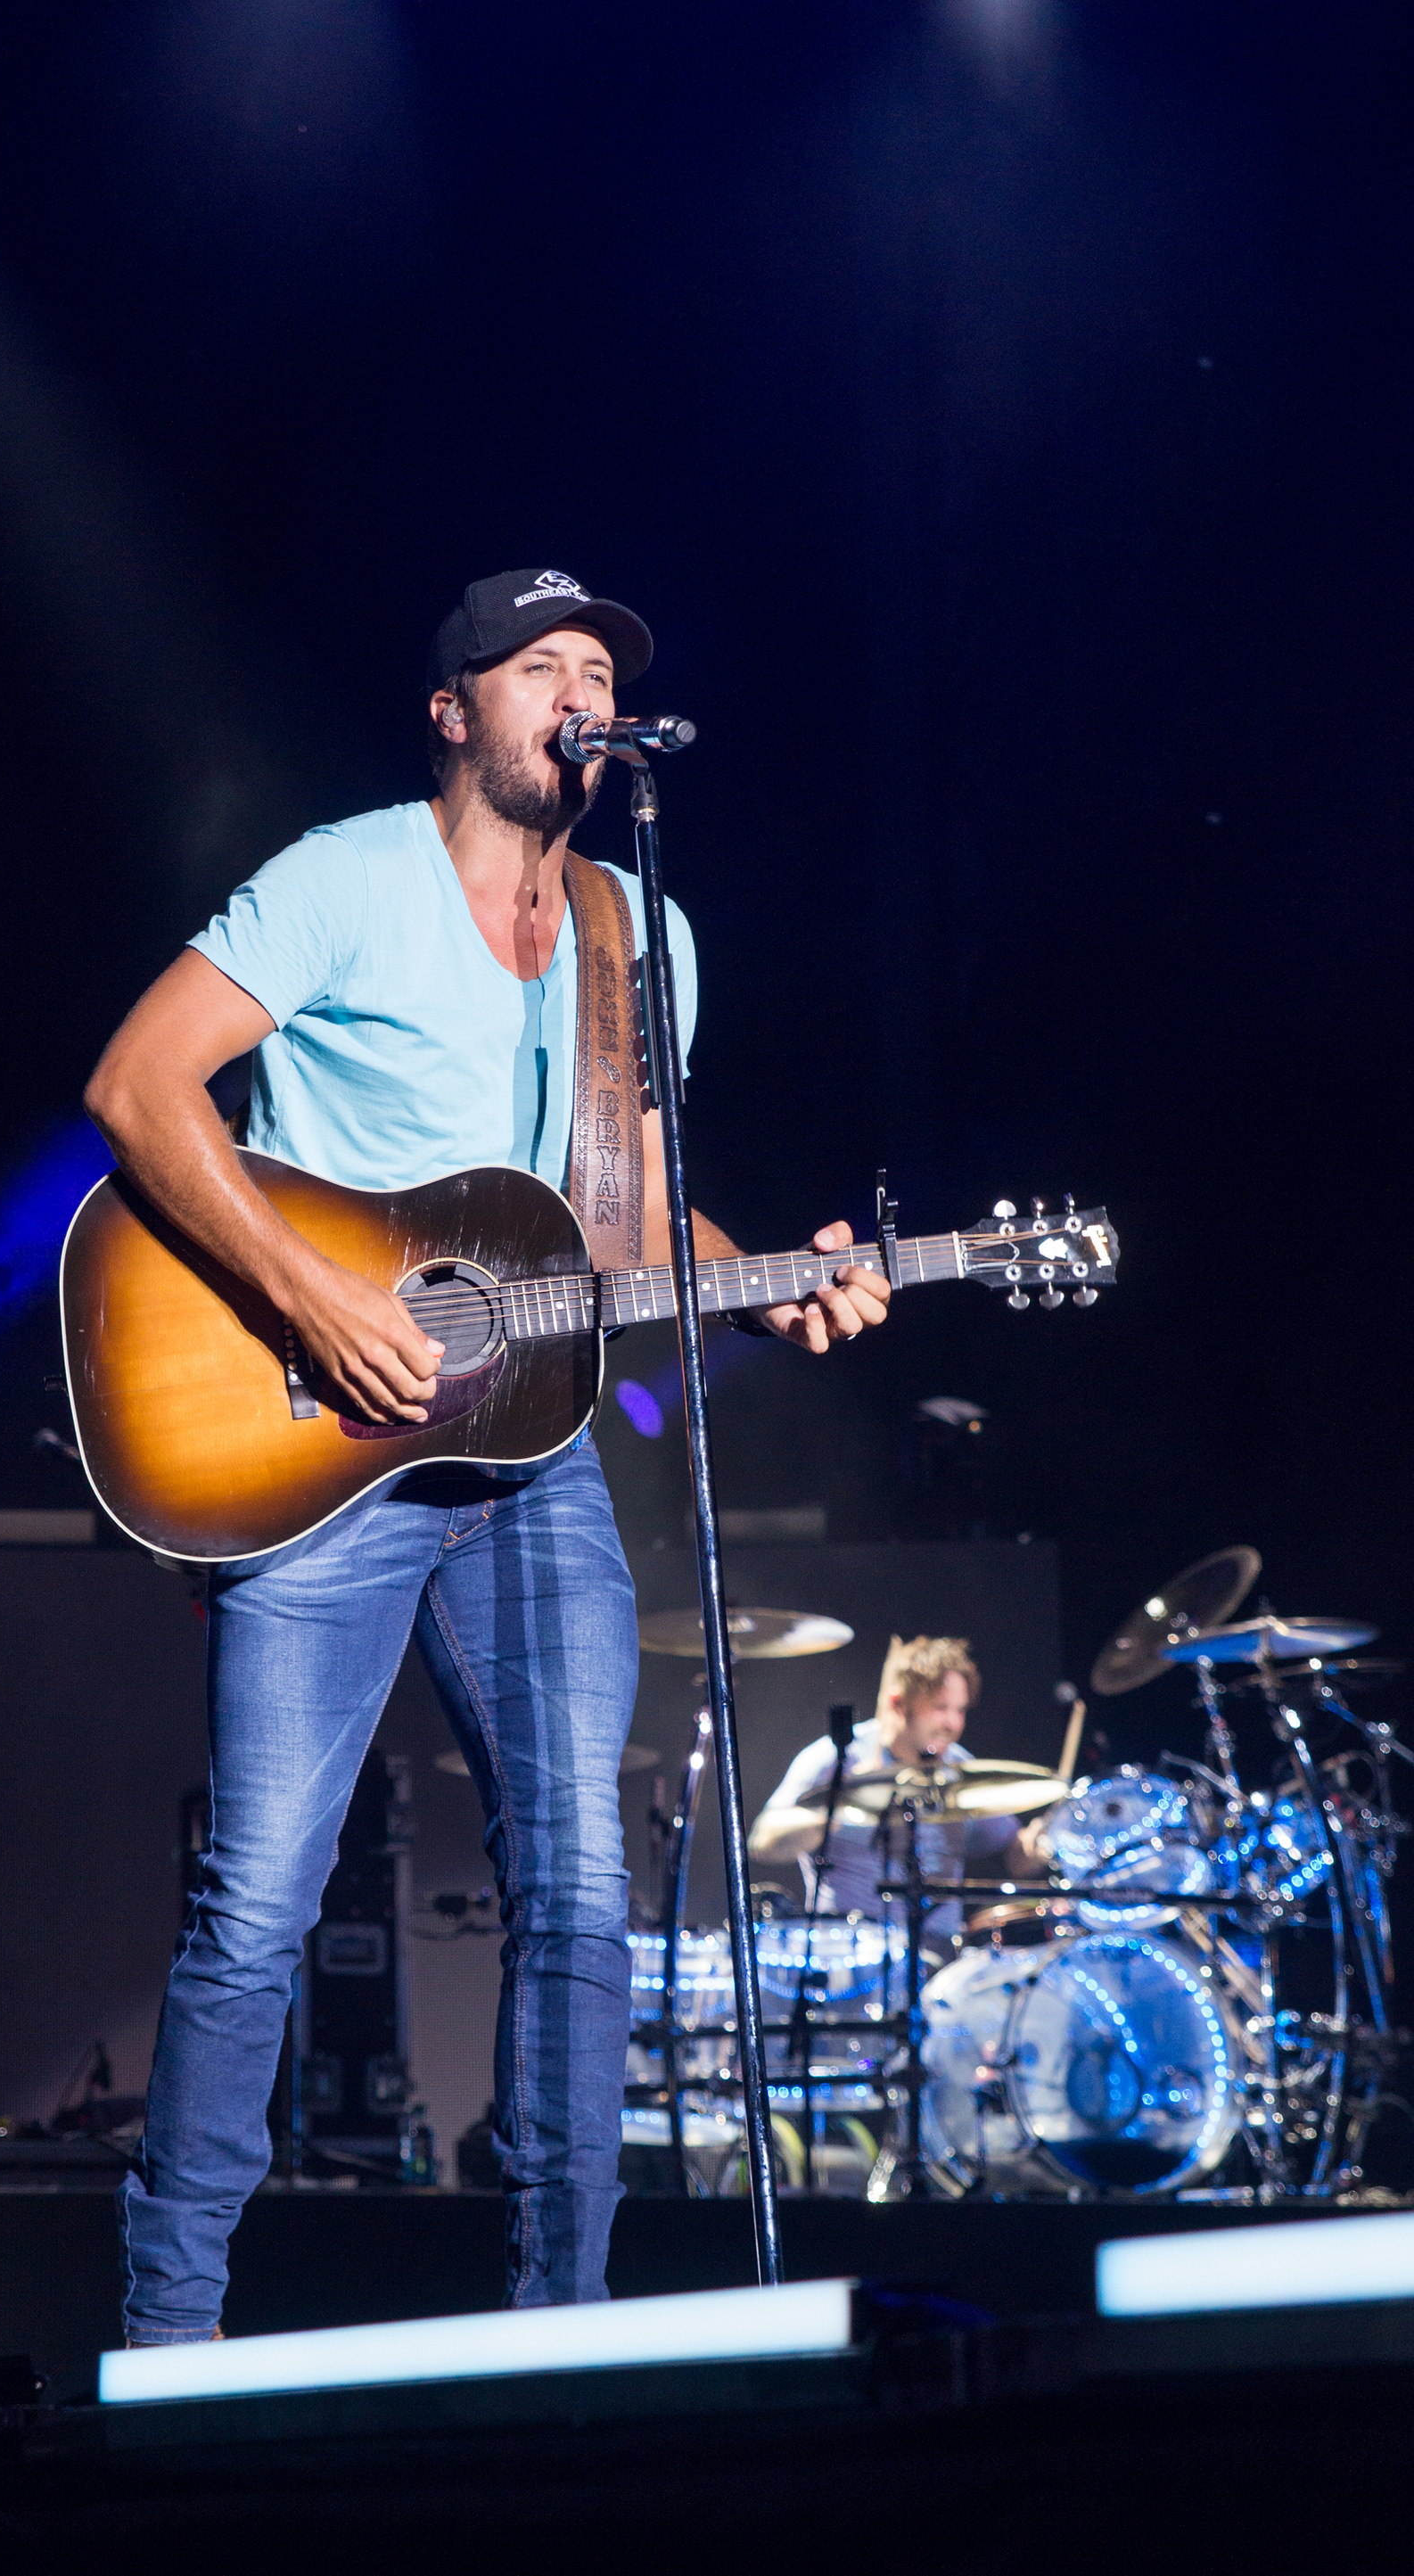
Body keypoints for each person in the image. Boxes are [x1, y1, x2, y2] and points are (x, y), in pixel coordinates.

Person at [83, 567, 892, 2342]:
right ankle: (164, 2343)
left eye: (599, 666)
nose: (580, 687)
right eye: (545, 663)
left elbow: (629, 1213)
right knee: (259, 1898)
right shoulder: (343, 880)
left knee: (582, 1890)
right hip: (314, 1447)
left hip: (532, 1456)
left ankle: (559, 2331)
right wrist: (314, 1292)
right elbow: (139, 1085)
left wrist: (774, 1280)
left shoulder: (639, 931)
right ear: (456, 709)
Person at [747, 1634, 1048, 1950]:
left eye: (960, 1710)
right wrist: (843, 1805)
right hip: (851, 1952)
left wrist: (1047, 1838)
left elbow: (1017, 1857)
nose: (953, 1724)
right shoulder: (837, 1758)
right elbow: (763, 1842)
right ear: (897, 1704)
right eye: (940, 1708)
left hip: (940, 1955)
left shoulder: (958, 1769)